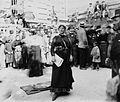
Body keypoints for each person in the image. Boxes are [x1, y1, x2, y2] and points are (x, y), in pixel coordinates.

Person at [50, 25, 74, 101]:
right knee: (57, 73)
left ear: (65, 30)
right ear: (58, 30)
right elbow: (52, 48)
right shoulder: (55, 38)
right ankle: (56, 91)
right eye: (60, 29)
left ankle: (64, 89)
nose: (62, 30)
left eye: (63, 29)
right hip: (58, 57)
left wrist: (71, 55)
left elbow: (71, 48)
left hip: (66, 57)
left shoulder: (67, 38)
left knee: (65, 73)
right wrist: (53, 56)